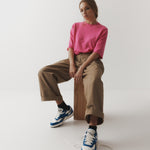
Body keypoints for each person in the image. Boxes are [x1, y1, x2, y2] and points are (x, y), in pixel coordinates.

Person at [38, 0, 108, 149]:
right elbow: (70, 47)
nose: (84, 12)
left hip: (92, 62)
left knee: (94, 80)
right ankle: (63, 108)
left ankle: (92, 129)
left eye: (87, 8)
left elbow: (97, 52)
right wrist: (72, 64)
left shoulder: (102, 29)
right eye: (81, 10)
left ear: (94, 9)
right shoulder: (76, 26)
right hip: (74, 59)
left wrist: (82, 67)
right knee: (44, 72)